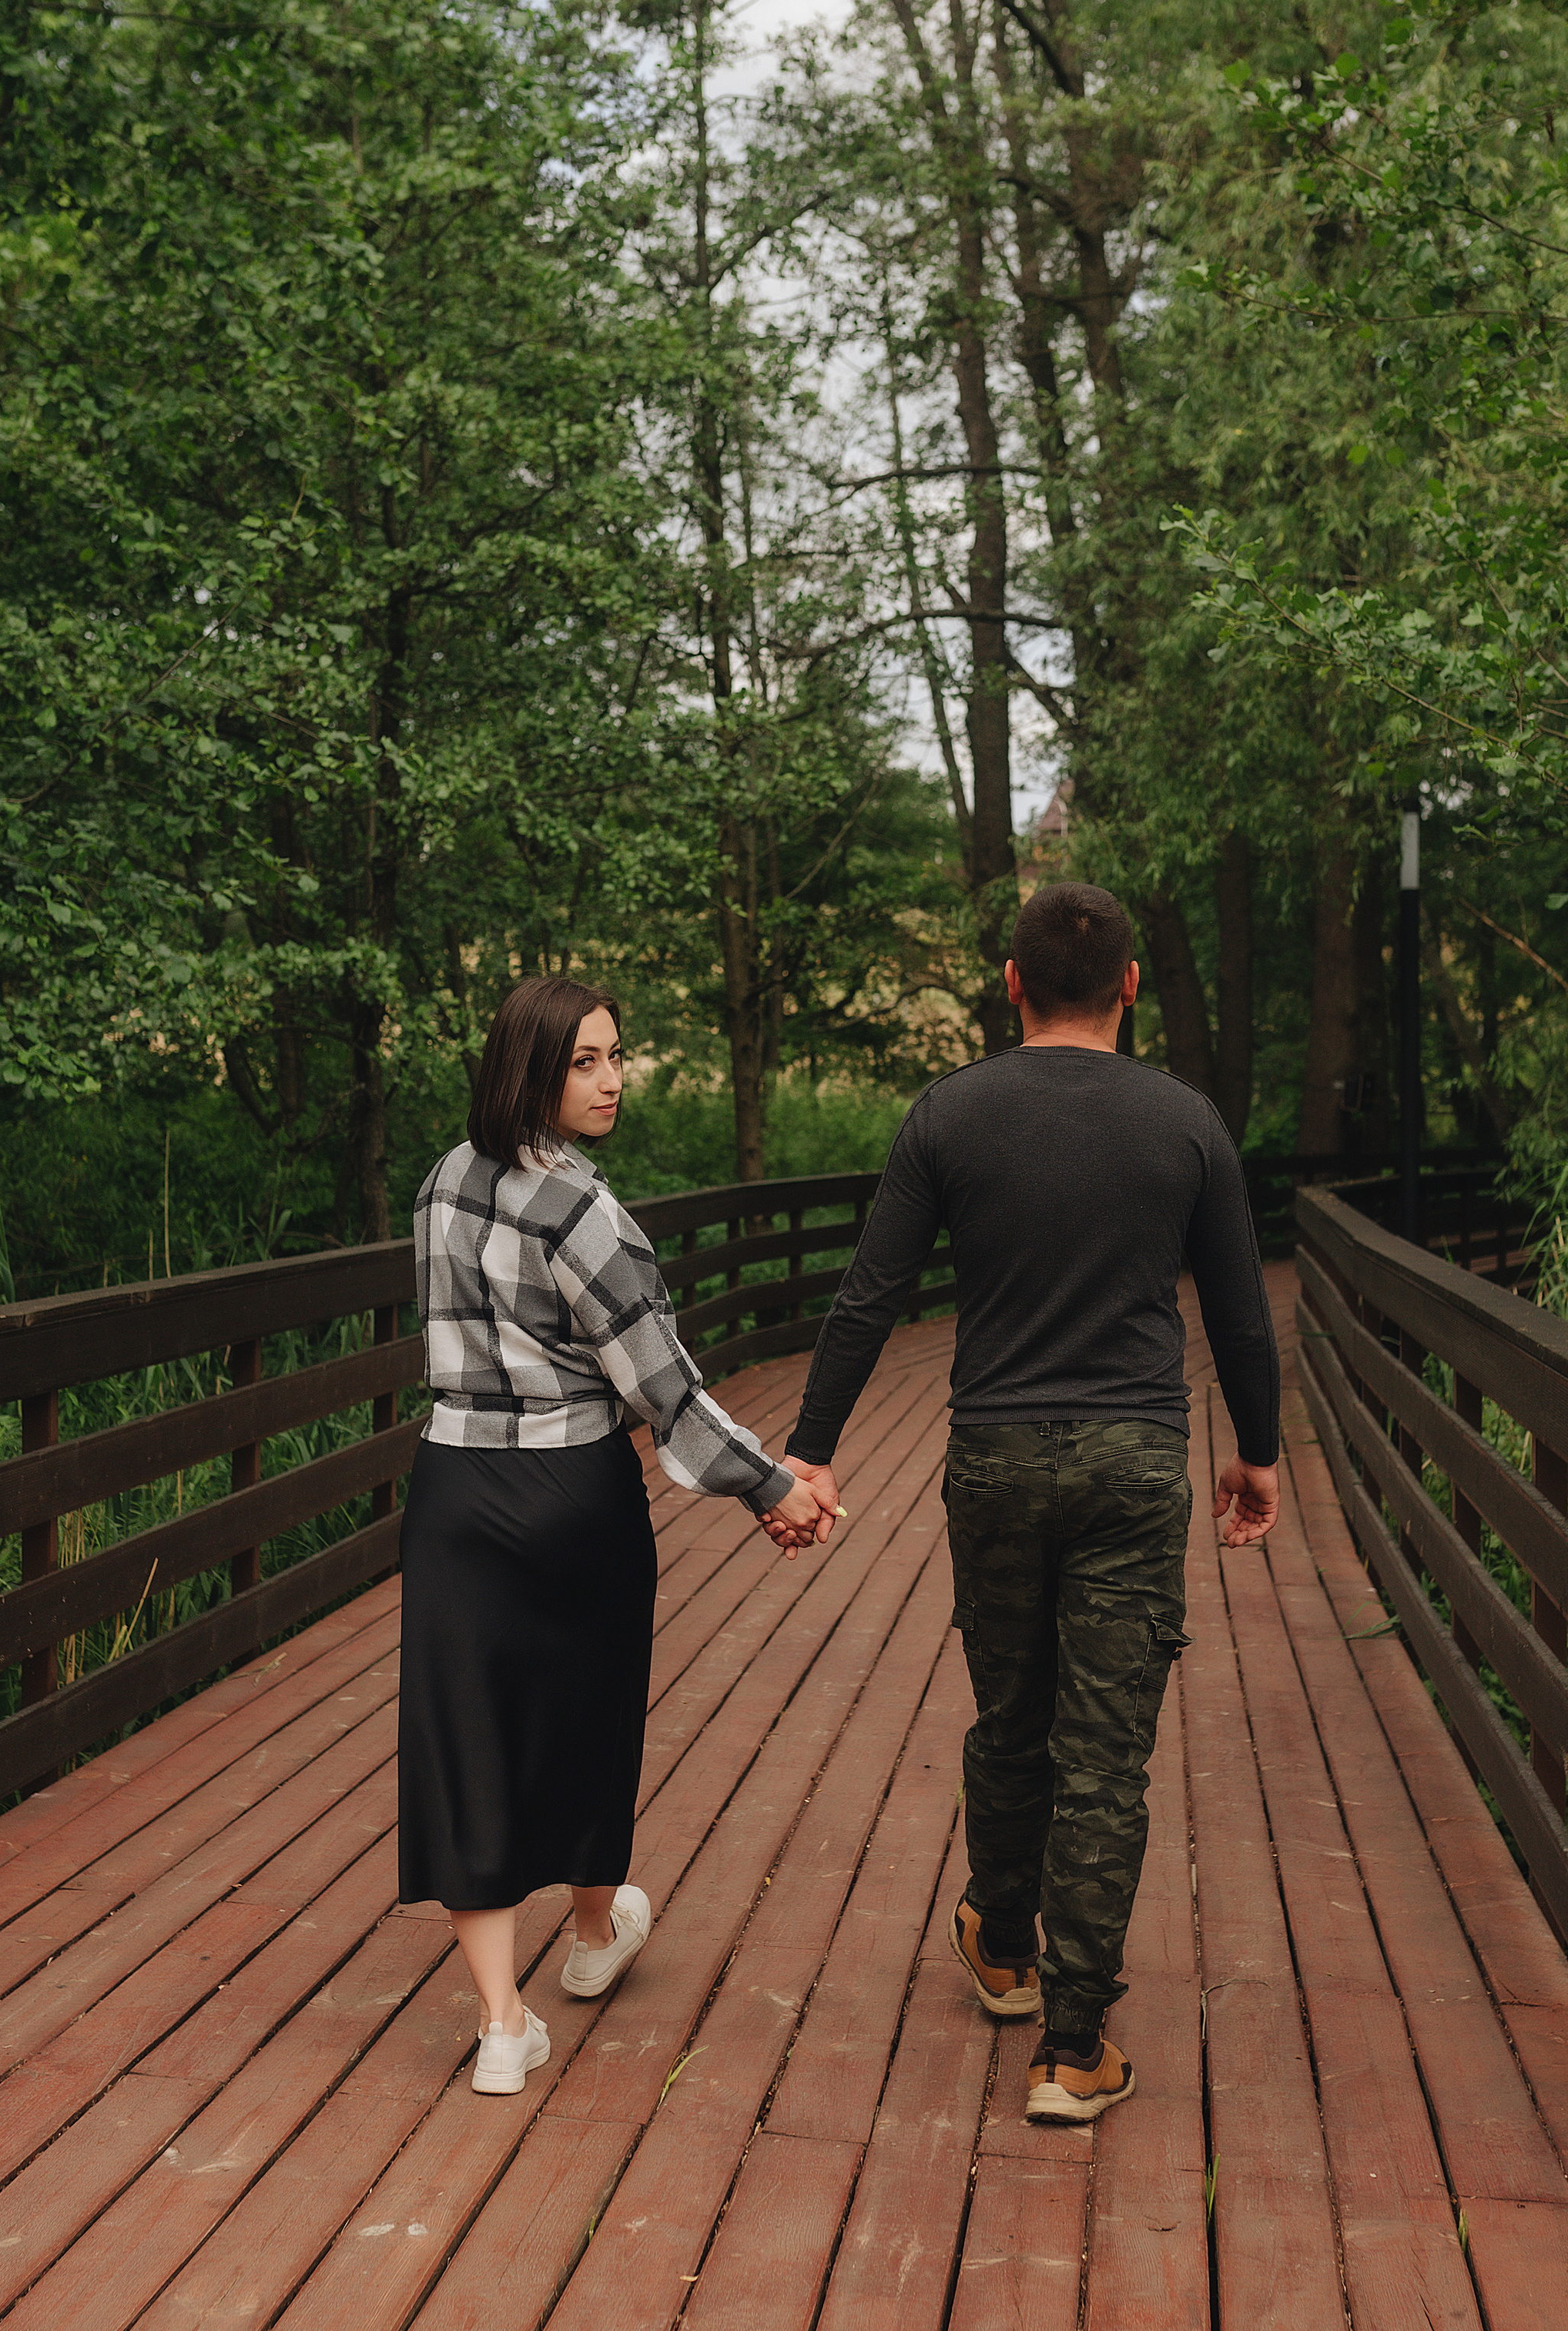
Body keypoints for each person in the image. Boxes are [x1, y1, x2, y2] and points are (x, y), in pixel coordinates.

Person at [779, 882, 1280, 2125]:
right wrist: (1258, 1450)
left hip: (994, 1454)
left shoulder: (950, 1113)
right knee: (1105, 1750)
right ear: (1129, 987)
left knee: (1010, 1709)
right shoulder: (1187, 1123)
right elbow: (1239, 1310)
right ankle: (1071, 2046)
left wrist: (812, 1448)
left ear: (1008, 985)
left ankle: (1003, 1941)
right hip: (1134, 1458)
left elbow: (867, 1293)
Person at [399, 975, 830, 2098]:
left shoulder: (441, 1180)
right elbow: (665, 1389)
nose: (612, 1079)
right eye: (585, 1061)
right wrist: (771, 1484)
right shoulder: (585, 1212)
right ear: (530, 1072)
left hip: (453, 1492)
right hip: (567, 1495)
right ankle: (592, 1933)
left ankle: (506, 2023)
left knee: (468, 1739)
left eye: (615, 1055)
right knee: (587, 1713)